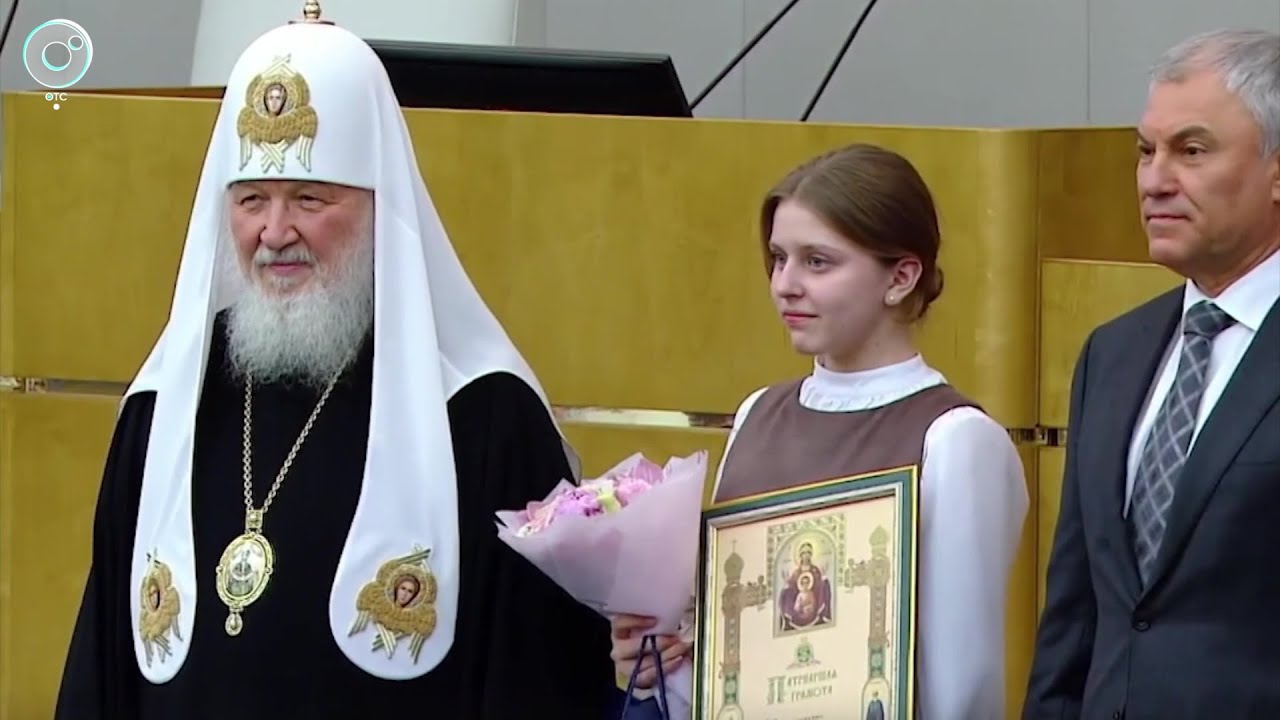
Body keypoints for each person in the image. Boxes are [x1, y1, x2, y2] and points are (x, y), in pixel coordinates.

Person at [52, 5, 616, 718]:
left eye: (309, 199)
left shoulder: (482, 415)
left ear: (378, 208)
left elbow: (539, 680)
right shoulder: (165, 408)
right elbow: (102, 673)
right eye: (251, 200)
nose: (274, 232)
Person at [611, 143, 1030, 718]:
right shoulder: (757, 413)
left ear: (901, 277)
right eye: (778, 258)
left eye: (817, 262)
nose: (785, 283)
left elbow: (962, 687)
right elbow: (739, 666)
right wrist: (664, 665)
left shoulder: (954, 439)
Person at [1023, 28, 1280, 719]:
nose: (1154, 180)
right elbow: (1075, 617)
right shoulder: (1113, 353)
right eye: (1145, 151)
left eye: (1192, 151)